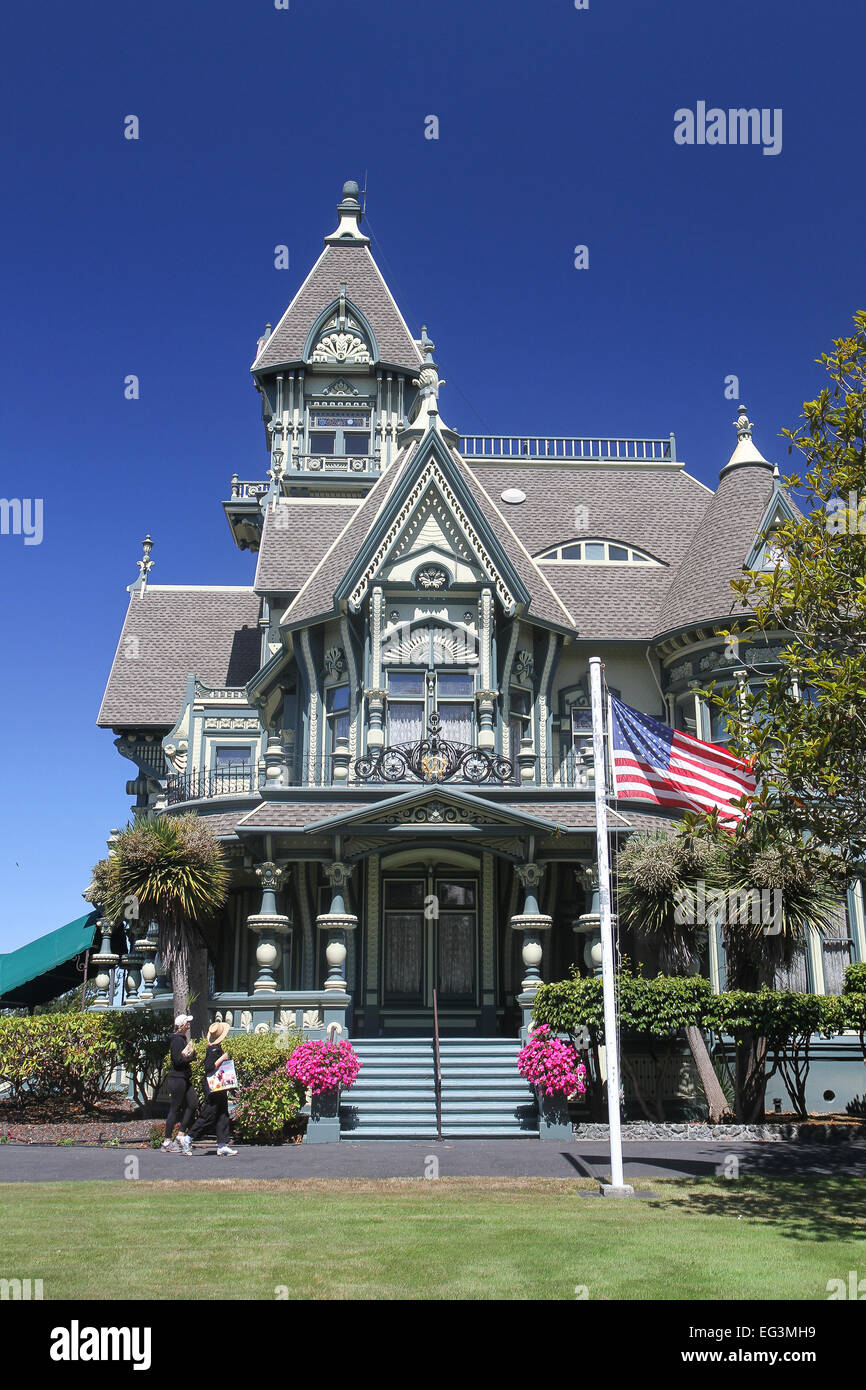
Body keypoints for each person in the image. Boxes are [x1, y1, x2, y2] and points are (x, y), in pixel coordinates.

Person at [180, 1020, 237, 1157]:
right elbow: (209, 1067)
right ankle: (188, 1138)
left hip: (219, 1086)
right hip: (213, 1087)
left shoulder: (214, 1047)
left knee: (222, 1114)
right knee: (209, 1115)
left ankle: (222, 1144)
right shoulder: (214, 1050)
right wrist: (223, 1058)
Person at [162, 1014, 198, 1153]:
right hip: (177, 1078)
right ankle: (166, 1141)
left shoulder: (182, 1039)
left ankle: (181, 1134)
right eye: (187, 1023)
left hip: (184, 1077)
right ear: (182, 1026)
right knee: (175, 1108)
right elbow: (177, 1061)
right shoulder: (177, 1040)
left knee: (193, 1103)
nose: (189, 1025)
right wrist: (191, 1057)